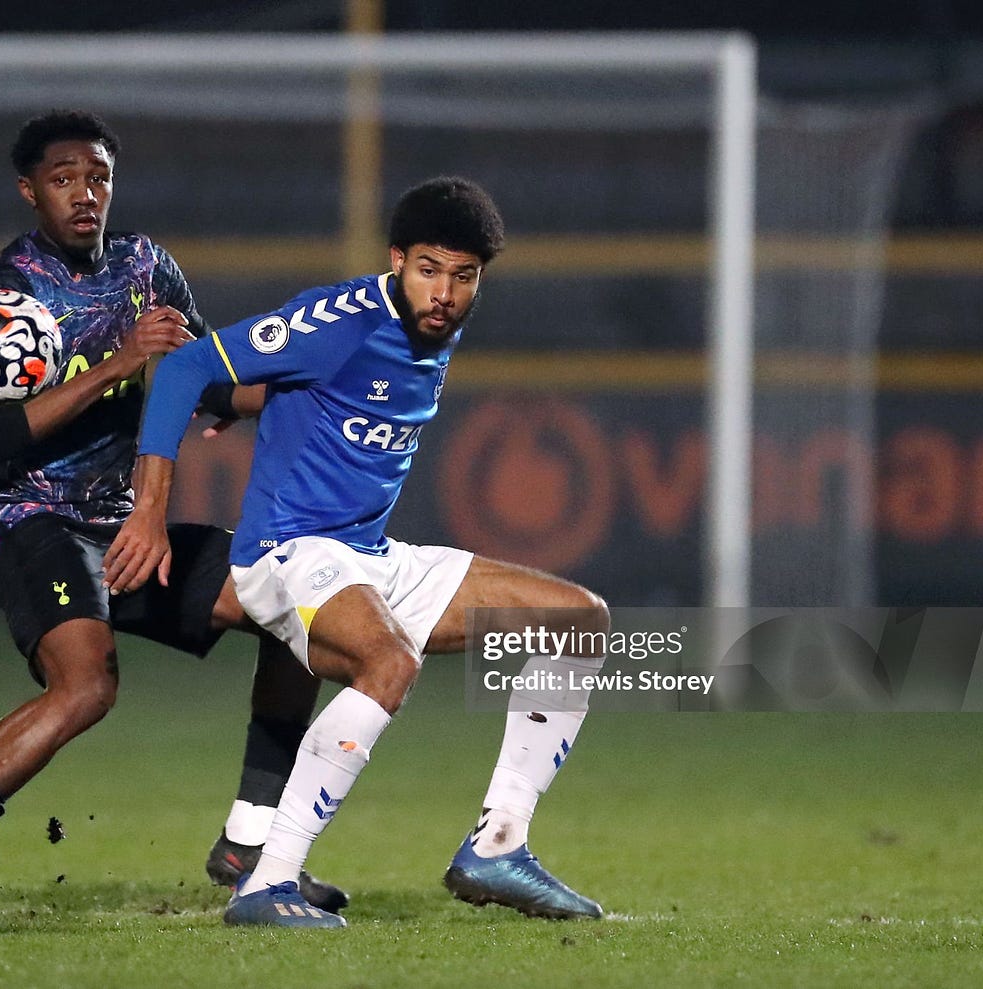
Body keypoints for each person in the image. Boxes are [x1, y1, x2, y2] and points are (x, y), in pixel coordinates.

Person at [0, 109, 345, 920]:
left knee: (298, 609)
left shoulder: (148, 265)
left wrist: (299, 389)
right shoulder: (9, 291)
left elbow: (209, 373)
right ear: (29, 190)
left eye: (98, 177)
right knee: (86, 686)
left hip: (122, 527)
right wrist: (123, 361)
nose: (85, 194)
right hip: (33, 520)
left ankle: (249, 841)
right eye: (63, 179)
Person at [106, 176, 611, 928]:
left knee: (578, 620)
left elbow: (303, 396)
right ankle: (266, 882)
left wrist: (243, 404)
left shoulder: (437, 328)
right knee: (390, 660)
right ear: (397, 259)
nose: (443, 293)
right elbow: (184, 366)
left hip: (367, 557)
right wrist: (150, 512)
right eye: (429, 270)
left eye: (463, 276)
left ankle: (499, 843)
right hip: (287, 553)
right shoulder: (341, 317)